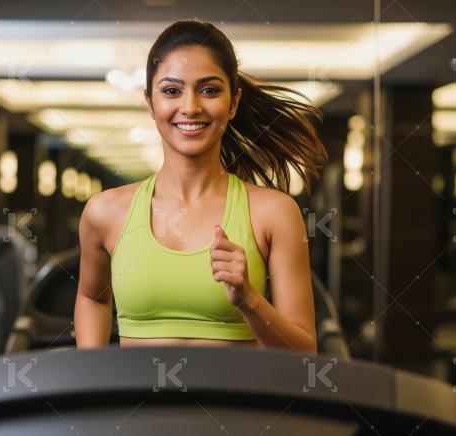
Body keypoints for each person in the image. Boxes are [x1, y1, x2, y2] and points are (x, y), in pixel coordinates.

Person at [74, 19, 327, 353]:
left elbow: (304, 353)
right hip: (134, 391)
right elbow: (92, 298)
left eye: (209, 90)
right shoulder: (105, 211)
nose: (190, 107)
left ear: (233, 103)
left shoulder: (275, 213)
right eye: (171, 91)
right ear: (150, 102)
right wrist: (92, 376)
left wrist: (249, 299)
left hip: (237, 390)